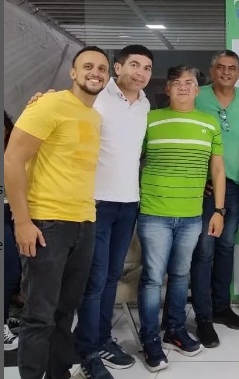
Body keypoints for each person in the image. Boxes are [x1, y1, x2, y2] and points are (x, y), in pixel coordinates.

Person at [4, 46, 109, 379]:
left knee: (65, 312)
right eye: (88, 66)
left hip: (84, 222)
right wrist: (22, 222)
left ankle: (59, 373)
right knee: (39, 316)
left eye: (102, 68)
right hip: (47, 223)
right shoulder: (48, 105)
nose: (95, 73)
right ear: (73, 73)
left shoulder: (93, 116)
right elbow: (12, 160)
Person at [137, 65, 225, 372]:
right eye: (177, 82)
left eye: (190, 83)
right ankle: (150, 339)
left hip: (191, 215)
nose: (184, 87)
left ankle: (174, 329)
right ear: (167, 89)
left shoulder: (209, 123)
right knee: (152, 278)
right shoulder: (149, 120)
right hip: (154, 213)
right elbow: (131, 158)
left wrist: (219, 210)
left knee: (180, 275)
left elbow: (218, 170)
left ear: (198, 90)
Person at [74, 45, 153, 379]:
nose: (141, 72)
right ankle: (87, 350)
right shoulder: (97, 97)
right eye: (134, 65)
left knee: (110, 277)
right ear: (117, 68)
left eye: (147, 68)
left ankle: (103, 338)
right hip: (97, 202)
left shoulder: (144, 104)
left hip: (128, 202)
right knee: (94, 280)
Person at [190, 49, 239, 347]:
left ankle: (221, 307)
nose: (226, 72)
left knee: (226, 247)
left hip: (235, 185)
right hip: (204, 186)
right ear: (212, 70)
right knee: (204, 250)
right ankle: (203, 317)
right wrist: (195, 180)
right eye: (220, 67)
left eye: (232, 68)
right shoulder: (197, 94)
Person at [4, 111, 21, 351]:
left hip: (13, 213)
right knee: (9, 271)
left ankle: (7, 316)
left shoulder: (14, 149)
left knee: (15, 271)